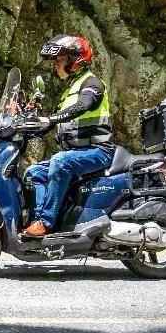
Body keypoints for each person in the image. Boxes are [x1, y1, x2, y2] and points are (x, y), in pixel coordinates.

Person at [22, 34, 114, 237]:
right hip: (78, 152)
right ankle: (37, 219)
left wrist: (52, 119)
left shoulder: (92, 84)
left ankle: (46, 222)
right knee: (33, 172)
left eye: (60, 60)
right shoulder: (69, 92)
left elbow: (83, 106)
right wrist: (24, 126)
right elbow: (52, 122)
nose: (56, 65)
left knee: (60, 161)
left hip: (98, 151)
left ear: (75, 60)